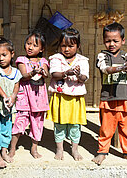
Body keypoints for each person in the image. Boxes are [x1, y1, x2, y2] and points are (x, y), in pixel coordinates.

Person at [92, 22, 127, 166]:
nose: (112, 44)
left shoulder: (126, 56)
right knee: (106, 128)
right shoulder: (102, 56)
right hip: (108, 98)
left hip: (125, 98)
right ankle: (102, 152)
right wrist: (121, 67)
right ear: (103, 41)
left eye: (115, 41)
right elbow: (105, 70)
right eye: (108, 40)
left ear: (123, 41)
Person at [46, 27, 89, 161]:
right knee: (59, 125)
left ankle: (74, 149)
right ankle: (60, 149)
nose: (67, 49)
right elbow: (54, 74)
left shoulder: (82, 61)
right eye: (63, 45)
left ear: (78, 46)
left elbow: (84, 78)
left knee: (75, 125)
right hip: (60, 98)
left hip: (76, 99)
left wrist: (78, 75)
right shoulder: (56, 58)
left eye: (71, 46)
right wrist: (66, 73)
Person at [9, 30, 49, 160]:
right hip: (25, 97)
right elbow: (24, 75)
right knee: (20, 122)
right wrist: (32, 73)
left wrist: (43, 71)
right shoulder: (21, 60)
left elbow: (47, 74)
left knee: (37, 123)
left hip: (39, 99)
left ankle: (34, 148)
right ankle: (12, 148)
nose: (30, 47)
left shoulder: (43, 60)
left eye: (35, 45)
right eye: (28, 43)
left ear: (42, 48)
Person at [0, 38, 22, 168]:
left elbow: (16, 87)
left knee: (6, 128)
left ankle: (4, 150)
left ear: (12, 54)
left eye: (4, 55)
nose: (1, 58)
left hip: (8, 106)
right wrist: (5, 96)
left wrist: (12, 97)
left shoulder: (16, 72)